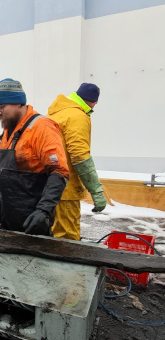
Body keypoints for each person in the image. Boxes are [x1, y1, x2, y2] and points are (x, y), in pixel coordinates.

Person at [0, 79, 70, 236]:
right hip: (6, 219)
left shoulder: (42, 128)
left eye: (1, 106)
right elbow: (3, 172)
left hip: (33, 221)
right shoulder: (8, 130)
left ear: (18, 103)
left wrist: (43, 211)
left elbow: (59, 172)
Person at [47, 83, 109, 240]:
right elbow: (80, 155)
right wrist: (95, 190)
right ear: (93, 102)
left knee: (51, 233)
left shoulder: (55, 114)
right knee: (67, 238)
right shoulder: (78, 116)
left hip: (48, 186)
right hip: (66, 189)